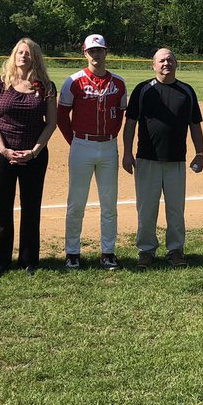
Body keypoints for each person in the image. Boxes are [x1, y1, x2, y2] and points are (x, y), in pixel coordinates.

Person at [122, 48, 203, 268]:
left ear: (176, 64)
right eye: (161, 60)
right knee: (146, 209)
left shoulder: (186, 91)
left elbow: (195, 125)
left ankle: (175, 250)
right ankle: (146, 250)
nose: (166, 63)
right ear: (154, 65)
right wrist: (127, 152)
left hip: (176, 160)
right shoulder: (143, 89)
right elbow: (130, 124)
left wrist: (199, 153)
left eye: (170, 60)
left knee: (175, 209)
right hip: (147, 159)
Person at [0, 38, 57, 276]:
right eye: (19, 52)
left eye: (28, 53)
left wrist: (35, 151)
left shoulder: (46, 86)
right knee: (2, 207)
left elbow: (51, 122)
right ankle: (0, 260)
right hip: (2, 153)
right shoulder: (0, 82)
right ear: (13, 55)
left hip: (33, 155)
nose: (23, 56)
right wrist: (4, 150)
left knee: (31, 208)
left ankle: (29, 260)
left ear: (35, 57)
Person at [57, 34, 129, 270]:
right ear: (85, 53)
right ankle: (72, 252)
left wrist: (111, 136)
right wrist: (75, 141)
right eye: (92, 51)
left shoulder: (118, 83)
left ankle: (108, 252)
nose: (96, 54)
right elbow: (61, 116)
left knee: (109, 203)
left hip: (108, 145)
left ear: (106, 52)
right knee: (76, 203)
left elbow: (120, 115)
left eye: (100, 50)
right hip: (82, 144)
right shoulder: (73, 81)